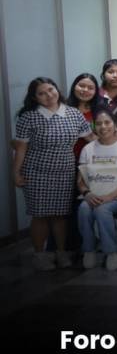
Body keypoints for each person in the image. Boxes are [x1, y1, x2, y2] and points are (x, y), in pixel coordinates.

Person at [13, 78, 92, 270]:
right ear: (34, 98)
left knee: (60, 215)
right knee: (40, 215)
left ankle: (61, 253)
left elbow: (91, 139)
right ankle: (40, 256)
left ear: (57, 89)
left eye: (51, 90)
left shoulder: (74, 114)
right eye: (42, 93)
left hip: (65, 171)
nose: (48, 95)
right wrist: (15, 173)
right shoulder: (28, 117)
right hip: (37, 172)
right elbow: (21, 149)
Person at [76, 109, 117, 271]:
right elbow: (80, 181)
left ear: (115, 125)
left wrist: (110, 196)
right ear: (94, 126)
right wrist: (87, 194)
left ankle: (113, 250)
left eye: (107, 122)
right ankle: (89, 249)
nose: (103, 127)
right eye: (99, 123)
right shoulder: (88, 149)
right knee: (83, 209)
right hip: (94, 194)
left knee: (102, 210)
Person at [67, 72, 103, 159]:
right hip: (66, 159)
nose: (85, 90)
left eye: (90, 88)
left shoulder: (100, 110)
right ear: (74, 86)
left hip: (93, 157)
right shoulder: (63, 108)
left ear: (95, 91)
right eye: (81, 86)